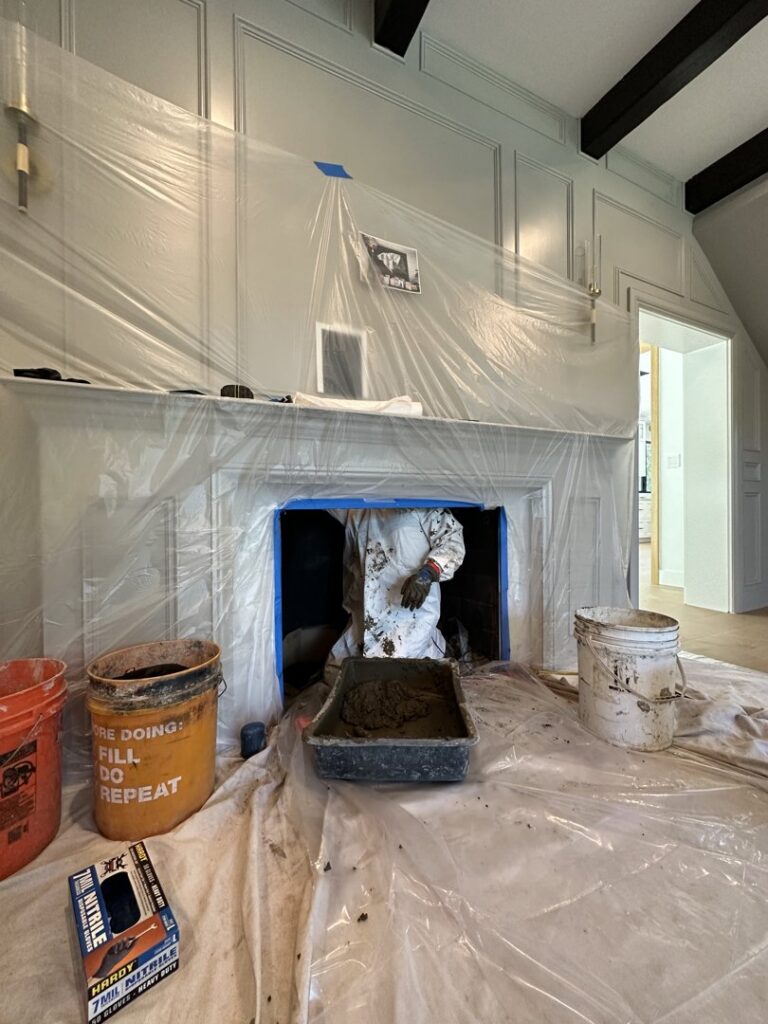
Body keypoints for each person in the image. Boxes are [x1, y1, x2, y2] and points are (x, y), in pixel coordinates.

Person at [324, 507, 465, 681]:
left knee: (410, 679)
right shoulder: (358, 508)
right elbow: (321, 490)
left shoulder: (423, 505)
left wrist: (428, 573)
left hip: (410, 619)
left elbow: (452, 539)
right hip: (365, 617)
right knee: (335, 673)